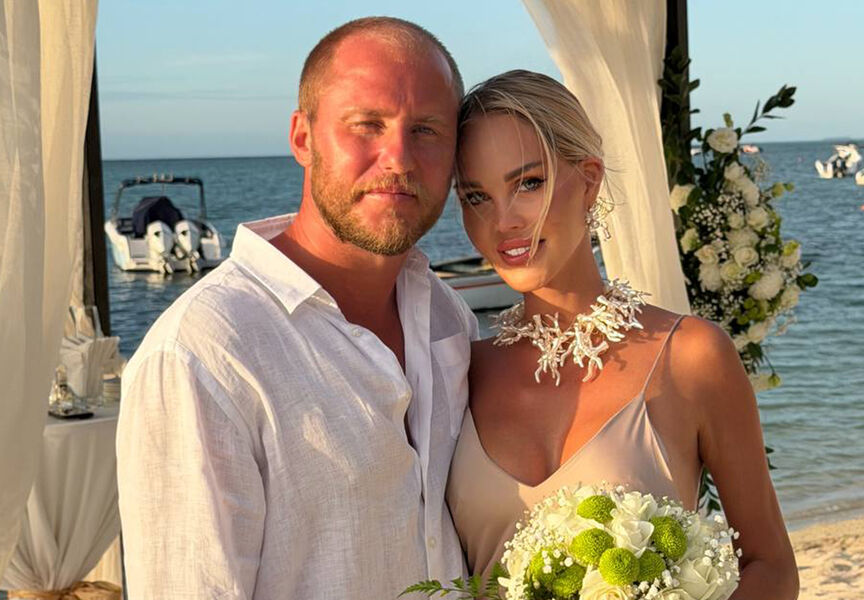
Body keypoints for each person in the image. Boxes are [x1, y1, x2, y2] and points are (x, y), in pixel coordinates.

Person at [117, 17, 477, 599]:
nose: (399, 158)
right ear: (303, 138)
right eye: (367, 124)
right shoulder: (203, 355)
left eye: (426, 130)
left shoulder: (447, 318)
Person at [445, 70, 800, 599]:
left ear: (589, 179)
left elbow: (770, 566)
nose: (503, 221)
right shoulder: (457, 371)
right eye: (476, 196)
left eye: (528, 183)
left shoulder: (691, 356)